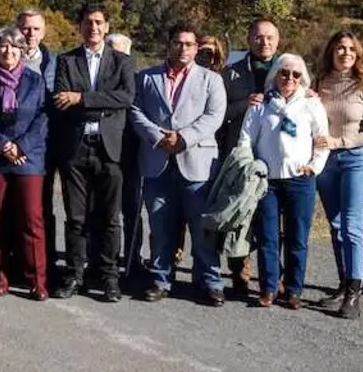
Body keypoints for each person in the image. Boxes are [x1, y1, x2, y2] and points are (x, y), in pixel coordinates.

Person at [130, 24, 228, 305]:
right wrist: (157, 136)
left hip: (196, 162)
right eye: (177, 43)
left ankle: (209, 282)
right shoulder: (147, 77)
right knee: (160, 227)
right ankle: (160, 279)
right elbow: (135, 111)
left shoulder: (211, 80)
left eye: (188, 44)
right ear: (169, 45)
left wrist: (183, 138)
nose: (183, 48)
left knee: (202, 229)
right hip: (157, 161)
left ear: (197, 48)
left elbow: (214, 116)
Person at [51, 4, 136, 302]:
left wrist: (82, 98)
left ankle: (109, 276)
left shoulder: (122, 62)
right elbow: (61, 98)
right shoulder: (66, 60)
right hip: (75, 148)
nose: (94, 28)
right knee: (75, 217)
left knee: (110, 218)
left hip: (109, 148)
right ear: (80, 26)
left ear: (107, 26)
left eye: (99, 23)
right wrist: (98, 103)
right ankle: (74, 274)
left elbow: (125, 97)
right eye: (88, 22)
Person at [238, 54, 330, 309]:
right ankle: (268, 288)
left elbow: (322, 141)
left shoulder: (311, 104)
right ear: (275, 75)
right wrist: (251, 167)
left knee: (296, 237)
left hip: (300, 180)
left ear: (303, 78)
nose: (289, 78)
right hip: (267, 183)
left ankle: (293, 290)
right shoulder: (260, 104)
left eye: (296, 74)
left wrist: (314, 166)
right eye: (284, 73)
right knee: (268, 237)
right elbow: (246, 139)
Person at [0, 27, 49, 299]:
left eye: (14, 47)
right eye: (3, 46)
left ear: (23, 50)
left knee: (31, 220)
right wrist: (3, 144)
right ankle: (0, 277)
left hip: (28, 158)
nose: (9, 51)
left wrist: (20, 146)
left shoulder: (34, 81)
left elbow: (41, 117)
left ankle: (37, 280)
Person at [315, 30, 363, 319]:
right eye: (340, 48)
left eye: (351, 50)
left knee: (352, 226)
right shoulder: (318, 83)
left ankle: (355, 293)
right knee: (335, 224)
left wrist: (341, 142)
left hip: (355, 160)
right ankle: (344, 284)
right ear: (331, 51)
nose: (345, 53)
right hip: (324, 163)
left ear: (357, 55)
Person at [217, 17, 281, 297]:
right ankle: (239, 272)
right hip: (241, 155)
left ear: (277, 40)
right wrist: (244, 104)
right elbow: (218, 115)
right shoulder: (230, 74)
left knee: (271, 221)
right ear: (248, 40)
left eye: (269, 37)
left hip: (275, 158)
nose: (263, 42)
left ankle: (273, 276)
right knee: (238, 214)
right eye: (258, 37)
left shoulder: (289, 69)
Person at [106, 32, 145, 277]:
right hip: (104, 154)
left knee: (131, 211)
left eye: (120, 51)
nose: (115, 54)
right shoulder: (99, 78)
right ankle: (105, 258)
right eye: (110, 49)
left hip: (132, 156)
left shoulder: (139, 81)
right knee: (104, 212)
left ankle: (133, 260)